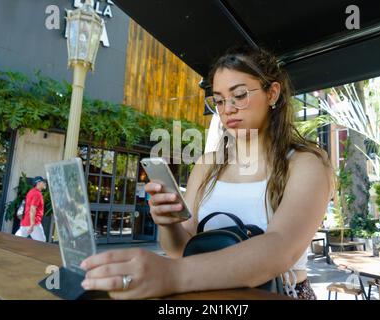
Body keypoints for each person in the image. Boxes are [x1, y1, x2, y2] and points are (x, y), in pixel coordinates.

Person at [80, 46, 335, 300]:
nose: (228, 109)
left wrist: (172, 275)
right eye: (220, 100)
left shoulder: (306, 163)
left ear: (272, 93)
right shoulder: (206, 166)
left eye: (240, 95)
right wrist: (169, 224)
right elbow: (182, 249)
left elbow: (279, 250)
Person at [15, 176, 47, 242]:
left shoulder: (31, 192)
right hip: (34, 223)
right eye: (43, 182)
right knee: (42, 243)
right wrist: (32, 224)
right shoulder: (37, 194)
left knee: (16, 240)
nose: (45, 183)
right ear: (38, 183)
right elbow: (32, 209)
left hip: (25, 221)